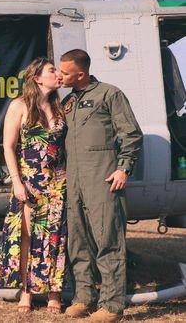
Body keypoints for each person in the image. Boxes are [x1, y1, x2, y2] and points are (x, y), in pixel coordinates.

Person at [59, 49, 143, 322]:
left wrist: (123, 168)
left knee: (108, 241)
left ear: (80, 74)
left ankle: (112, 305)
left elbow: (131, 133)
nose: (60, 76)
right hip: (74, 182)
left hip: (103, 180)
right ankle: (83, 298)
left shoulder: (109, 94)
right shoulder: (68, 101)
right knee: (78, 242)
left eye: (65, 72)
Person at [0, 57, 67, 314]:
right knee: (28, 236)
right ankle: (26, 291)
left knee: (55, 237)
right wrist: (16, 182)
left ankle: (53, 292)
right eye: (52, 70)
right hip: (29, 181)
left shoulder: (61, 107)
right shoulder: (20, 105)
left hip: (58, 181)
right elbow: (8, 146)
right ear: (37, 78)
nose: (58, 74)